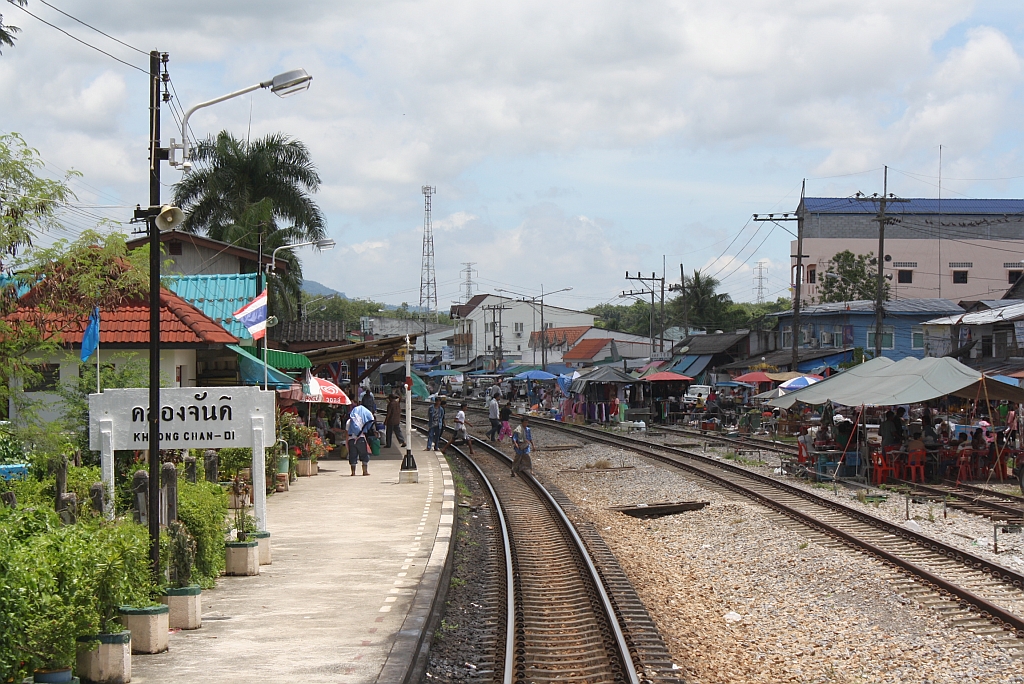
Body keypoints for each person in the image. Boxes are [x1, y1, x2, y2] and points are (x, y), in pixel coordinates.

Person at [346, 403, 376, 476]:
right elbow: (368, 425)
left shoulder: (349, 421)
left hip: (351, 440)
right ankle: (364, 472)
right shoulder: (362, 419)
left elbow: (346, 433)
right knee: (364, 454)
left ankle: (353, 472)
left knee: (352, 455)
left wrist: (347, 442)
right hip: (361, 439)